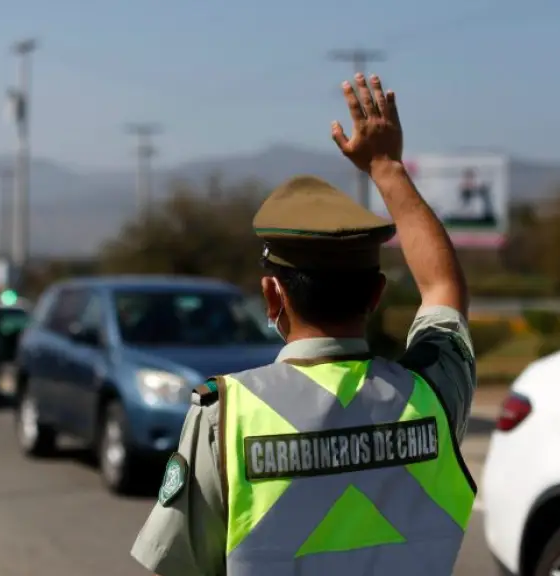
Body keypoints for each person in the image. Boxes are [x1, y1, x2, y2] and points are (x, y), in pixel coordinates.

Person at [130, 72, 477, 576]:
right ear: (376, 295)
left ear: (273, 295)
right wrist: (387, 167)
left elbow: (175, 566)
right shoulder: (432, 398)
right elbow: (444, 289)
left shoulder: (225, 416)